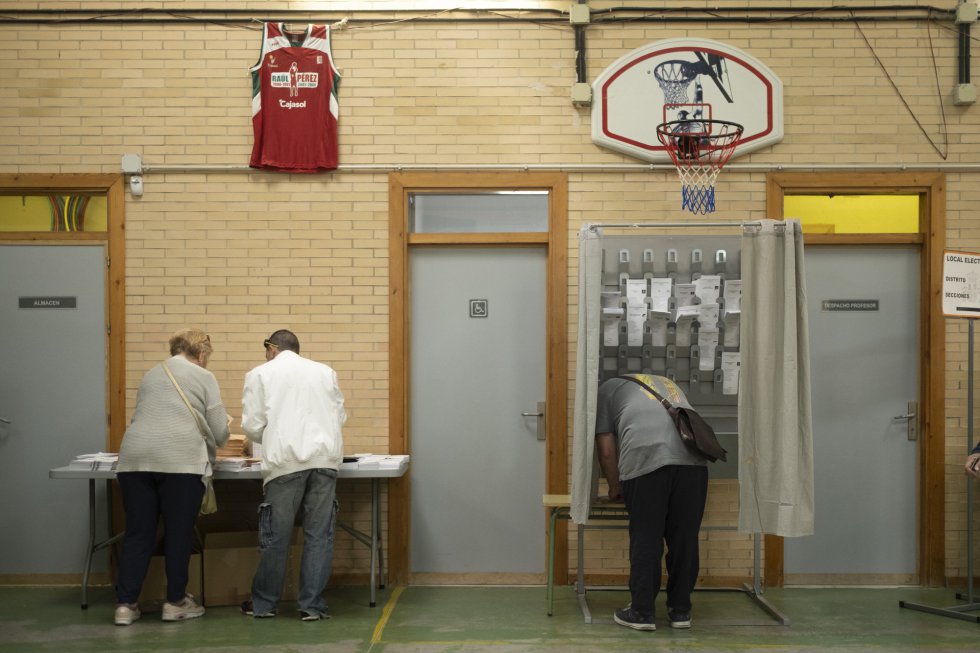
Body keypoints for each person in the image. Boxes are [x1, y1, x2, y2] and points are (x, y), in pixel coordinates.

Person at [114, 328, 230, 626]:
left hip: (134, 460)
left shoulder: (152, 374)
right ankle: (176, 602)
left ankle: (126, 606)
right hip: (179, 461)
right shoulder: (204, 376)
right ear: (202, 354)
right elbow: (219, 432)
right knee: (178, 533)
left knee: (139, 532)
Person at [240, 329, 347, 621]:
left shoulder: (260, 374)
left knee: (276, 537)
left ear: (272, 348)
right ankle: (312, 605)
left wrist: (274, 432)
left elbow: (251, 426)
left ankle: (264, 604)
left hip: (285, 463)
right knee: (319, 536)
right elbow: (340, 416)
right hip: (325, 462)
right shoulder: (326, 372)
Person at [594, 373, 708, 632]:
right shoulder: (669, 383)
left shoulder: (607, 389)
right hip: (693, 464)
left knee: (646, 536)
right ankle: (681, 611)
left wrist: (614, 487)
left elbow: (607, 450)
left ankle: (642, 612)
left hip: (646, 461)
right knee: (685, 538)